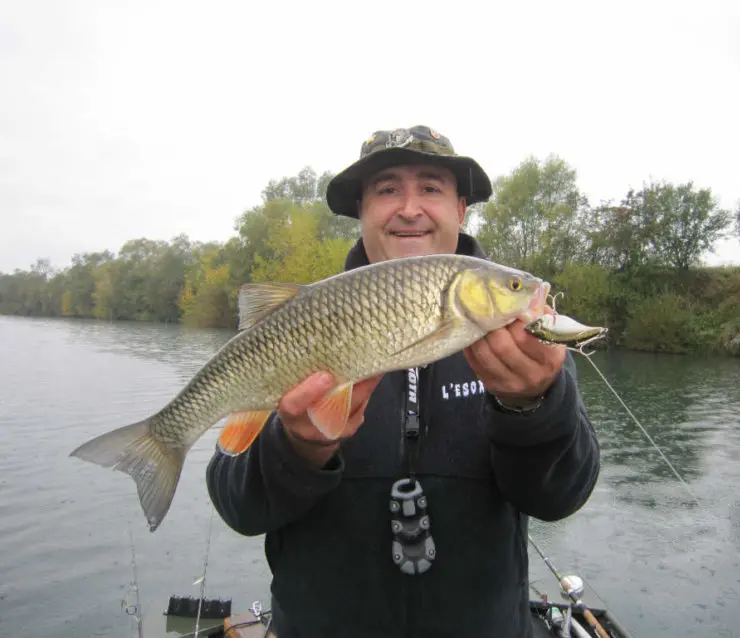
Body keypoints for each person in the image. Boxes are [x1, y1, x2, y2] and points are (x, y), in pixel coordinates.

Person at [206, 125, 600, 638]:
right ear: (362, 211)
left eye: (432, 187)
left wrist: (535, 407)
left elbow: (561, 497)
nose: (409, 207)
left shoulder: (526, 341)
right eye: (387, 189)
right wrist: (298, 449)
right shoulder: (306, 320)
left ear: (461, 209)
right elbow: (238, 506)